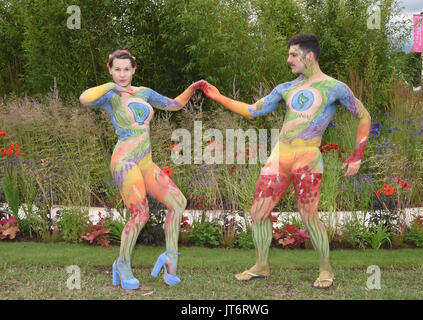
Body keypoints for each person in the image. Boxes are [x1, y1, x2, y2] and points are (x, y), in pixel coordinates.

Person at [199, 33, 371, 289]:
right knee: (258, 212)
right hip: (280, 157)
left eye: (293, 54)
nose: (288, 59)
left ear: (309, 56)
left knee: (308, 215)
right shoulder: (286, 88)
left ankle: (326, 270)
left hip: (308, 158)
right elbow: (252, 110)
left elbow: (364, 116)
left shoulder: (334, 87)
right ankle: (261, 265)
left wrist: (357, 156)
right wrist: (218, 96)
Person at [79, 49, 203, 289]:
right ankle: (122, 264)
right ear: (110, 69)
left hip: (145, 162)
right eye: (117, 69)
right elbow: (84, 98)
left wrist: (193, 88)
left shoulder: (144, 93)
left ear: (134, 70)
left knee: (178, 202)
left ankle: (170, 258)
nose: (122, 74)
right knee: (141, 213)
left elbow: (174, 104)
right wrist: (110, 86)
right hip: (124, 161)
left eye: (127, 69)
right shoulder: (109, 96)